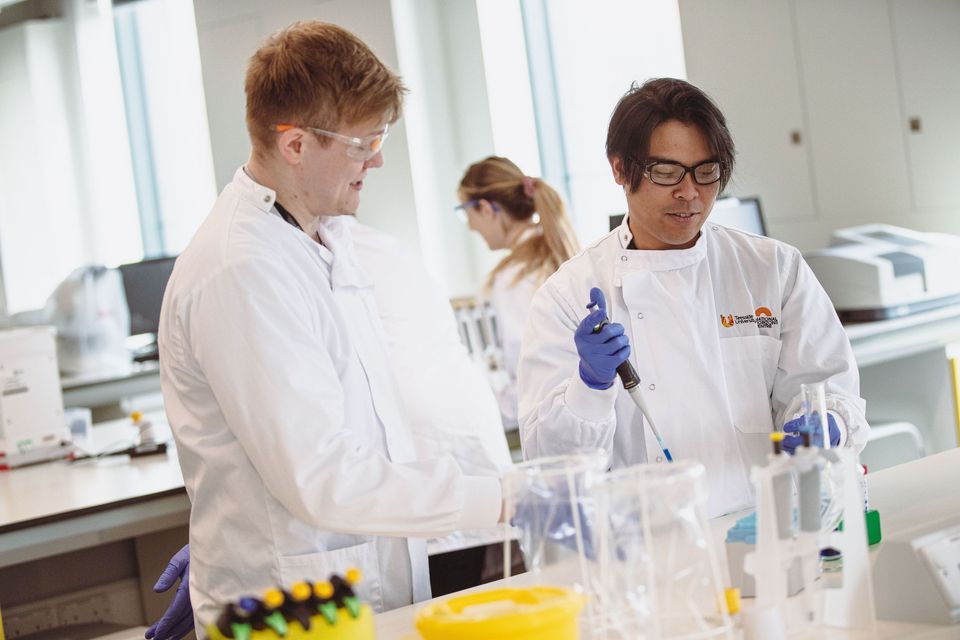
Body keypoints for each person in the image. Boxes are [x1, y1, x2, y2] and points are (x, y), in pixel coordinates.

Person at [156, 20, 503, 631]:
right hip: (289, 607)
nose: (378, 158)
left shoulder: (324, 238)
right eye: (363, 142)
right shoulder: (242, 269)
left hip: (366, 583)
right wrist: (499, 498)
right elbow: (324, 477)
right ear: (295, 145)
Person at [517, 78, 869, 518]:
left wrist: (828, 420)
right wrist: (589, 387)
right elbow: (551, 469)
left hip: (771, 525)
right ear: (619, 169)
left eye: (706, 172)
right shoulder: (568, 296)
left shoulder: (772, 268)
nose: (690, 192)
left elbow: (828, 385)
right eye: (666, 172)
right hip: (651, 537)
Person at [456, 157, 580, 428]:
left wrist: (479, 406)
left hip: (556, 421)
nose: (470, 225)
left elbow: (529, 378)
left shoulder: (514, 278)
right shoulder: (555, 254)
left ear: (485, 208)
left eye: (466, 212)